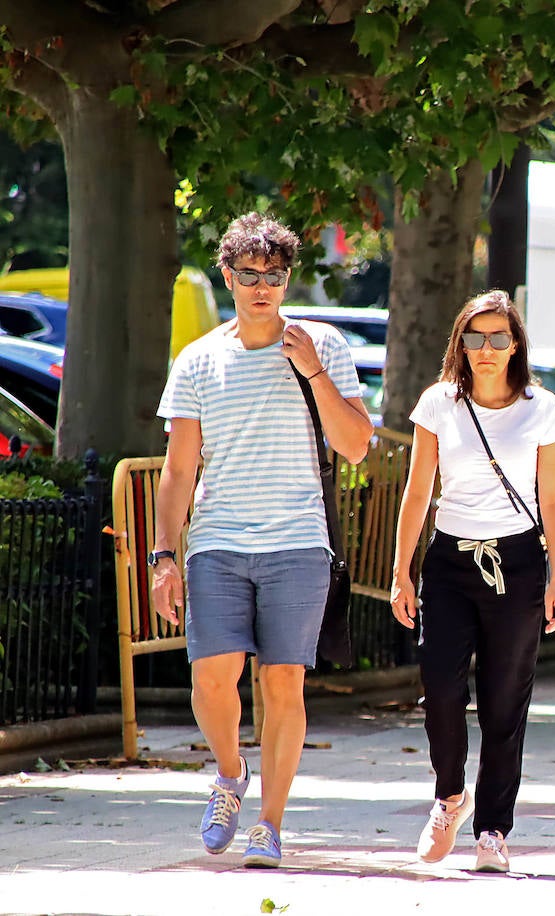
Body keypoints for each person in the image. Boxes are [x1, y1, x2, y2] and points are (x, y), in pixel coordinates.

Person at [150, 213, 373, 867]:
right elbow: (179, 469)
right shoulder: (198, 360)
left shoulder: (322, 344)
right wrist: (166, 555)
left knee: (283, 683)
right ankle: (229, 774)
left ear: (286, 280)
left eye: (273, 276)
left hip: (298, 540)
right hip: (218, 540)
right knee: (214, 678)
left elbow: (356, 446)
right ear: (227, 276)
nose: (261, 288)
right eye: (248, 275)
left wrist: (314, 374)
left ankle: (269, 824)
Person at [390, 289, 555, 874]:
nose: (486, 349)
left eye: (498, 338)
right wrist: (401, 572)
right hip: (449, 561)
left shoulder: (541, 407)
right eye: (475, 337)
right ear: (460, 344)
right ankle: (449, 797)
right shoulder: (439, 404)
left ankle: (492, 829)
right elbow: (418, 492)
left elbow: (554, 501)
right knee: (441, 688)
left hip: (516, 565)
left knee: (504, 703)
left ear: (514, 344)